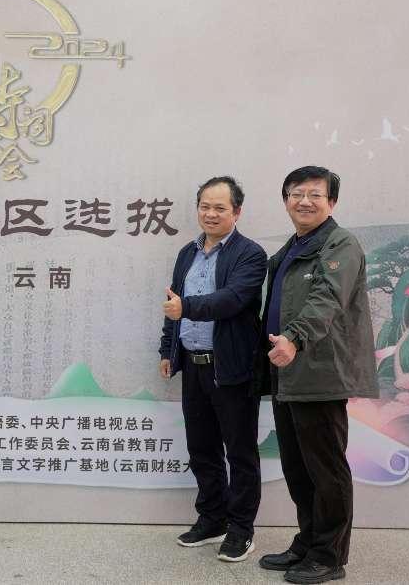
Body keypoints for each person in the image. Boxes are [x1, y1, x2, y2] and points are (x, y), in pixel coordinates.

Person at [256, 166, 379, 583]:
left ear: (332, 202)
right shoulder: (292, 247)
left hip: (320, 373)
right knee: (297, 466)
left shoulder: (339, 243)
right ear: (285, 200)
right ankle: (307, 542)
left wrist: (294, 337)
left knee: (326, 469)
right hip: (287, 373)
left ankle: (329, 555)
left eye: (315, 194)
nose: (304, 201)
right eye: (296, 193)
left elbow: (327, 298)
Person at [158, 176, 267, 562]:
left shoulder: (250, 255)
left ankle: (241, 529)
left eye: (220, 207)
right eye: (205, 206)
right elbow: (172, 304)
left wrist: (186, 308)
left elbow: (232, 300)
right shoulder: (187, 253)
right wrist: (168, 349)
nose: (211, 213)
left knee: (240, 452)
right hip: (194, 366)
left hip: (231, 369)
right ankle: (212, 518)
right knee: (201, 448)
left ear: (237, 212)